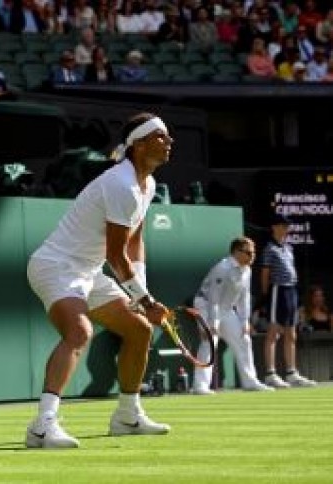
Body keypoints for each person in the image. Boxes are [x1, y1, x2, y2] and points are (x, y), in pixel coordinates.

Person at [25, 112, 173, 449]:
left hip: (88, 272)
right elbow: (116, 255)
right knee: (80, 332)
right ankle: (41, 426)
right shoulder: (120, 184)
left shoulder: (147, 185)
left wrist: (142, 294)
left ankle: (127, 415)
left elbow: (135, 243)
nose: (169, 143)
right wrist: (145, 301)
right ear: (138, 145)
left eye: (168, 137)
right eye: (160, 137)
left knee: (139, 330)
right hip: (56, 266)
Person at [190, 236, 273, 395]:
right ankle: (200, 386)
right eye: (248, 252)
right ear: (236, 252)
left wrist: (244, 321)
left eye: (253, 252)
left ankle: (250, 382)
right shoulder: (222, 268)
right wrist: (213, 323)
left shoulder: (247, 270)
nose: (252, 256)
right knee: (209, 343)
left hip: (227, 309)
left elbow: (244, 298)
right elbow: (214, 297)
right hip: (206, 306)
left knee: (244, 340)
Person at [259, 214, 316, 388]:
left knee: (292, 334)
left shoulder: (289, 248)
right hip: (278, 290)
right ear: (274, 227)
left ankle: (292, 373)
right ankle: (270, 374)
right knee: (274, 333)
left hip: (291, 290)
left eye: (287, 226)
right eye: (283, 226)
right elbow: (265, 275)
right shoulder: (269, 248)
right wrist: (266, 296)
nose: (286, 229)